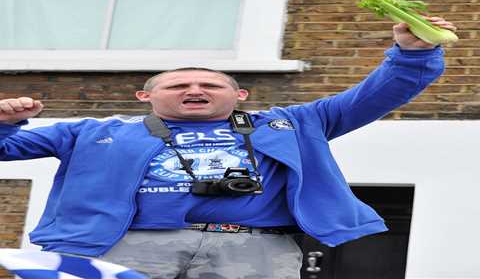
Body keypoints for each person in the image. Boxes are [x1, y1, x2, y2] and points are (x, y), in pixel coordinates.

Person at [0, 18, 456, 279]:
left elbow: (378, 94)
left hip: (255, 250)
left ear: (240, 97)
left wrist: (412, 54)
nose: (194, 89)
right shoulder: (89, 131)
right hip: (125, 247)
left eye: (210, 84)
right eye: (178, 84)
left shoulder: (293, 123)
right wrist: (4, 123)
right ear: (145, 97)